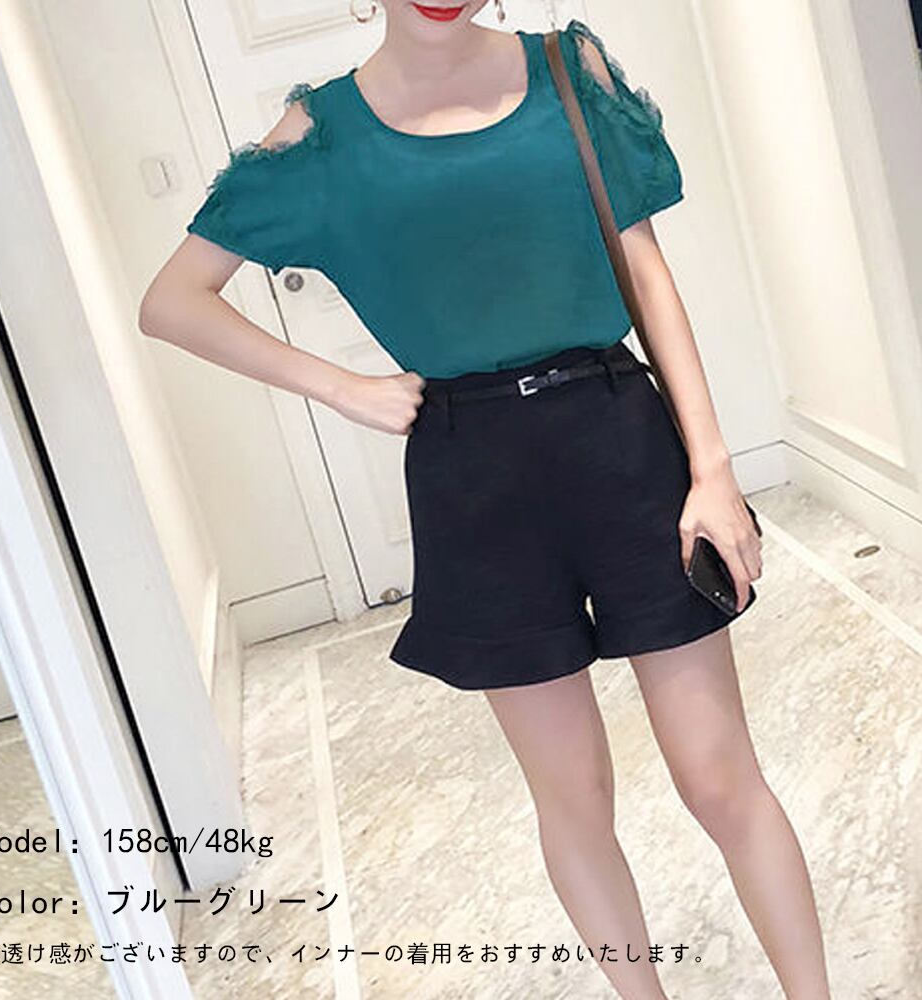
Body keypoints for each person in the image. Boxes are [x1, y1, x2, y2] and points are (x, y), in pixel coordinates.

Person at [139, 3, 830, 997]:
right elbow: (171, 301)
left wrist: (712, 469)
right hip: (470, 476)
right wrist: (341, 386)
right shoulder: (322, 132)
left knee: (719, 775)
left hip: (619, 439)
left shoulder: (567, 72)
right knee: (573, 798)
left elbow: (644, 270)